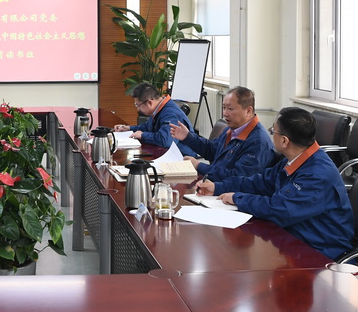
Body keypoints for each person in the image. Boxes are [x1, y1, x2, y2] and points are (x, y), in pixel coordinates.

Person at [195, 107, 353, 260]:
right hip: (294, 238)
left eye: (273, 131)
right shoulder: (295, 159)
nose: (271, 134)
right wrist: (217, 187)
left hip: (321, 252)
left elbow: (280, 209)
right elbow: (260, 182)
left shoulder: (317, 175)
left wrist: (237, 198)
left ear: (284, 141)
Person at [169, 86, 274, 181]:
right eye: (224, 108)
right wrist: (188, 137)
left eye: (230, 109)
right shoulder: (232, 130)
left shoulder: (258, 142)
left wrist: (199, 166)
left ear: (248, 111)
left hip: (227, 191)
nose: (225, 113)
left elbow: (237, 178)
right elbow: (211, 150)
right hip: (212, 183)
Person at [113, 83, 197, 155]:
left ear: (149, 102)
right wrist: (129, 128)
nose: (138, 109)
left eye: (138, 105)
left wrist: (143, 135)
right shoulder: (158, 108)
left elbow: (165, 140)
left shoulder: (170, 114)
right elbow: (148, 127)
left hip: (183, 157)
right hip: (166, 153)